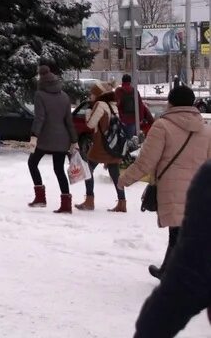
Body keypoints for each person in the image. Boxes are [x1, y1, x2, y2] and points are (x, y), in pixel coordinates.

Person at [119, 84, 211, 279]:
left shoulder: (162, 126)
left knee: (178, 233)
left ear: (171, 102)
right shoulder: (206, 130)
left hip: (173, 189)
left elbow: (146, 161)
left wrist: (125, 179)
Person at [133, 160, 211, 337]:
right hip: (186, 190)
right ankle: (165, 267)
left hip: (174, 189)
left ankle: (166, 267)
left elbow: (190, 279)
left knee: (176, 236)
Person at [28, 63, 77, 213]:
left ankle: (40, 197)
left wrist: (34, 135)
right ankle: (66, 203)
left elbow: (40, 118)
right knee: (59, 169)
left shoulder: (39, 95)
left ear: (41, 80)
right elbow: (69, 120)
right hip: (63, 139)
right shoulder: (64, 96)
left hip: (45, 138)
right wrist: (74, 140)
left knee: (32, 162)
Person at [76, 83, 127, 212]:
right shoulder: (113, 106)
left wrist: (88, 111)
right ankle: (122, 203)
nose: (90, 96)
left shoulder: (99, 105)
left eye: (92, 93)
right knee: (115, 173)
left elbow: (91, 125)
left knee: (87, 170)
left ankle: (89, 200)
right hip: (113, 144)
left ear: (98, 94)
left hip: (101, 145)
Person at [114, 73, 153, 142]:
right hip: (133, 119)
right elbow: (140, 106)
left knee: (121, 140)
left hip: (121, 119)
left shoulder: (118, 91)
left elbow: (116, 105)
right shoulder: (135, 91)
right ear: (130, 81)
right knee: (131, 139)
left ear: (122, 81)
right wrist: (140, 118)